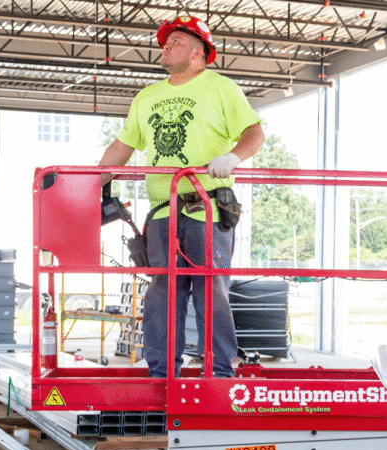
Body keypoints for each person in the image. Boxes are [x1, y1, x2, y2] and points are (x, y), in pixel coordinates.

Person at [98, 15, 265, 378]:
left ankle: (220, 372)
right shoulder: (148, 96)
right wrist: (91, 182)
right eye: (165, 42)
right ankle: (161, 371)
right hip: (162, 211)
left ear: (197, 52)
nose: (165, 46)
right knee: (162, 291)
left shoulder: (221, 88)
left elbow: (254, 132)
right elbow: (124, 144)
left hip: (206, 206)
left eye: (174, 41)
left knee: (211, 289)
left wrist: (233, 157)